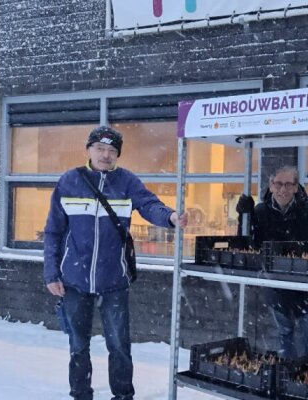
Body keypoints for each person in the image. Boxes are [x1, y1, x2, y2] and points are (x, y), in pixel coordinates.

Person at [43, 125, 187, 400]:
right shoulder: (69, 181)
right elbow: (53, 231)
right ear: (88, 150)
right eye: (100, 148)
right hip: (74, 280)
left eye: (112, 151)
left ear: (118, 155)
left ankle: (123, 396)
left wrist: (170, 217)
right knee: (78, 344)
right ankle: (80, 393)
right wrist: (51, 273)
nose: (105, 155)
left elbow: (148, 204)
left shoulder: (126, 182)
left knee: (120, 346)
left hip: (114, 281)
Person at [236, 165, 308, 359]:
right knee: (285, 336)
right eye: (278, 184)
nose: (282, 189)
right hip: (277, 285)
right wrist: (244, 217)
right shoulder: (261, 211)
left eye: (288, 184)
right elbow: (249, 246)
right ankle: (288, 379)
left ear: (296, 187)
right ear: (270, 185)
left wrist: (289, 250)